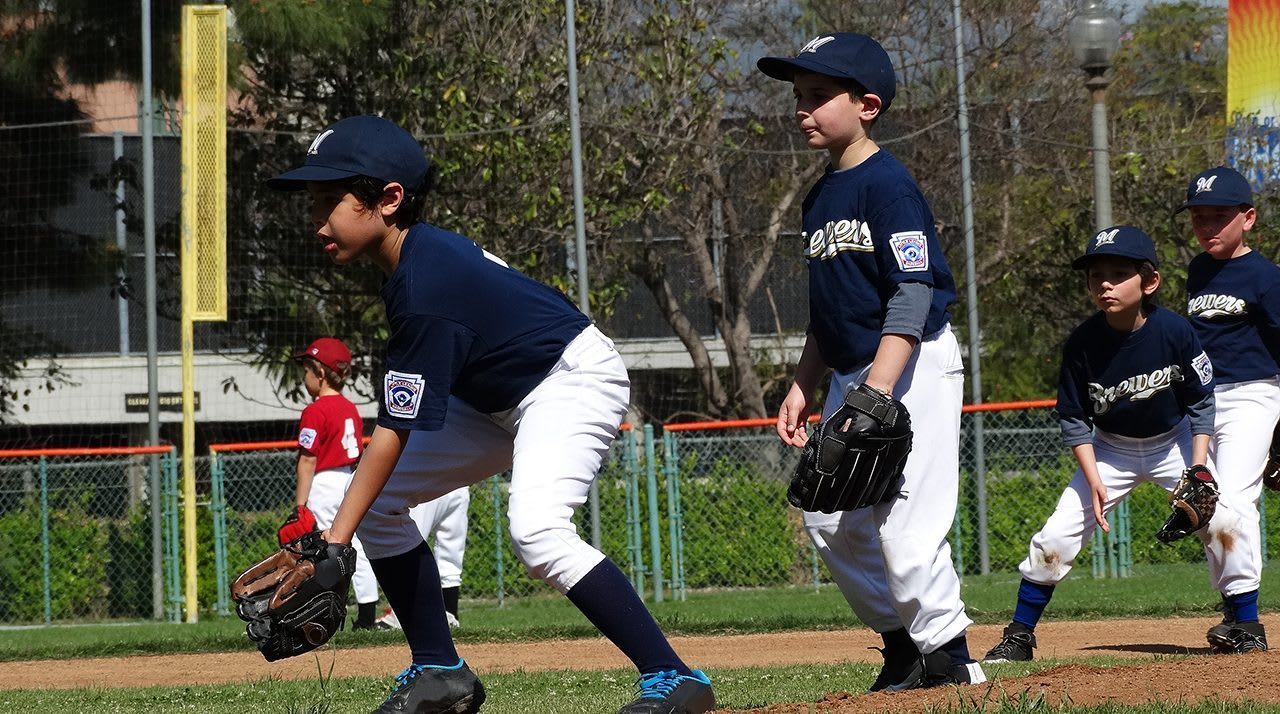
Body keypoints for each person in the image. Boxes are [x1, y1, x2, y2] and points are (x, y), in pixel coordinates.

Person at [266, 114, 714, 714]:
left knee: (537, 531)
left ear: (390, 199)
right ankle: (440, 673)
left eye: (331, 200)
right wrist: (341, 534)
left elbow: (394, 430)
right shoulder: (412, 268)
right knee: (376, 504)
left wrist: (334, 542)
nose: (318, 219)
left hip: (568, 379)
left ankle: (675, 678)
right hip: (494, 399)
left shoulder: (424, 283)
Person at [758, 33, 986, 691]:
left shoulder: (888, 186)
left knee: (905, 524)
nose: (803, 108)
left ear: (868, 105)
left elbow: (912, 291)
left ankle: (949, 658)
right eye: (799, 95)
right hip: (855, 372)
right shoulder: (819, 197)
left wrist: (878, 390)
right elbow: (831, 310)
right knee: (831, 516)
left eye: (819, 95)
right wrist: (805, 383)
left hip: (909, 363)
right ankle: (905, 648)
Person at [981, 225, 1249, 663]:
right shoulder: (1083, 343)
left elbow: (1201, 403)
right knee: (1057, 536)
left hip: (1175, 441)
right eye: (1095, 275)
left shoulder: (1174, 332)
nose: (1104, 283)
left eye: (1118, 273)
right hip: (1109, 449)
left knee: (1224, 522)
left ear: (1149, 281)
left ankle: (1246, 624)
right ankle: (1019, 636)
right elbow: (1072, 417)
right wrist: (1093, 480)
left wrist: (1198, 471)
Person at [1179, 165, 1280, 653]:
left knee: (1235, 502)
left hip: (1254, 394)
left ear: (1249, 218)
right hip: (1204, 403)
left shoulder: (1266, 276)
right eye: (1199, 218)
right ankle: (1235, 610)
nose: (1208, 227)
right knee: (1204, 505)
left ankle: (1248, 623)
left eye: (1220, 217)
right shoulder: (1197, 272)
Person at [279, 336, 386, 631]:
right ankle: (366, 616)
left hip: (324, 484)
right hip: (351, 480)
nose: (304, 377)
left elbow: (307, 460)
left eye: (307, 370)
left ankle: (321, 612)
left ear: (321, 373)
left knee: (325, 549)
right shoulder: (350, 407)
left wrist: (299, 504)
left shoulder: (315, 410)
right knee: (358, 549)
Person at [378, 486, 472, 630]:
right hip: (459, 482)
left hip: (427, 480)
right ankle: (450, 615)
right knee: (451, 552)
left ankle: (401, 618)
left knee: (407, 546)